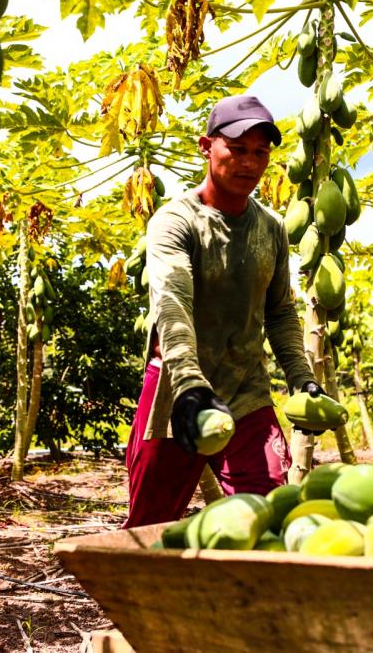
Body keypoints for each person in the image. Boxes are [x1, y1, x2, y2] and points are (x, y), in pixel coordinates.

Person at [122, 95, 325, 529]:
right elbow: (172, 305)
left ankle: (255, 596)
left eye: (260, 153)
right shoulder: (176, 221)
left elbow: (281, 313)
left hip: (246, 388)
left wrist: (301, 377)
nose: (249, 163)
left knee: (271, 515)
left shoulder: (270, 228)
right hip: (178, 386)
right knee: (151, 523)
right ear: (206, 146)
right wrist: (192, 386)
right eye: (236, 149)